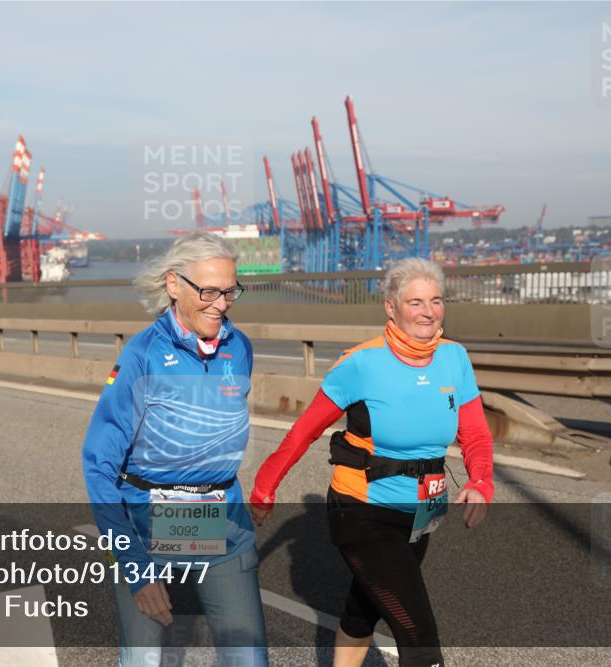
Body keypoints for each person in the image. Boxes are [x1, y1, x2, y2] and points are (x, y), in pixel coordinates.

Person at [249, 257, 494, 667]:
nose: (428, 312)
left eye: (435, 300)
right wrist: (264, 487)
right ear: (391, 307)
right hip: (361, 509)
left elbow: (476, 434)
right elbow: (303, 431)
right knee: (418, 634)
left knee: (365, 608)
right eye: (415, 302)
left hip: (420, 509)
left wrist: (481, 482)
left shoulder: (455, 358)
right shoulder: (361, 363)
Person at [82, 231, 268, 667]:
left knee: (249, 660)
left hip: (223, 522)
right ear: (173, 285)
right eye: (208, 291)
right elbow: (98, 465)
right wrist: (135, 566)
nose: (221, 303)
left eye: (230, 291)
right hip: (147, 526)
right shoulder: (141, 355)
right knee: (147, 659)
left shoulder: (239, 348)